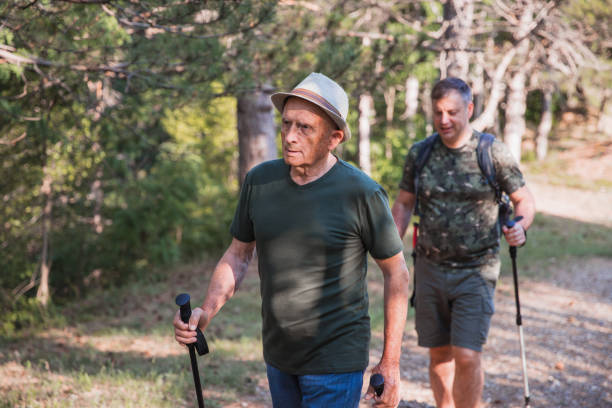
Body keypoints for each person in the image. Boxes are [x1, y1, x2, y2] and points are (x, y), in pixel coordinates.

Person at [174, 72, 410, 408]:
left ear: (334, 137)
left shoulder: (362, 193)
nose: (290, 136)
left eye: (305, 128)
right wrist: (206, 311)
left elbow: (397, 273)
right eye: (286, 124)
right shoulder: (260, 182)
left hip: (336, 362)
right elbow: (238, 255)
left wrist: (391, 362)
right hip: (279, 357)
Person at [391, 77, 535, 408]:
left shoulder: (491, 152)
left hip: (477, 270)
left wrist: (520, 225)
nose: (444, 120)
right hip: (429, 267)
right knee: (439, 354)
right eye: (438, 112)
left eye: (452, 112)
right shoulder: (421, 153)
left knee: (467, 355)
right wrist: (390, 244)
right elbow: (403, 203)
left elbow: (523, 200)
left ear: (469, 109)